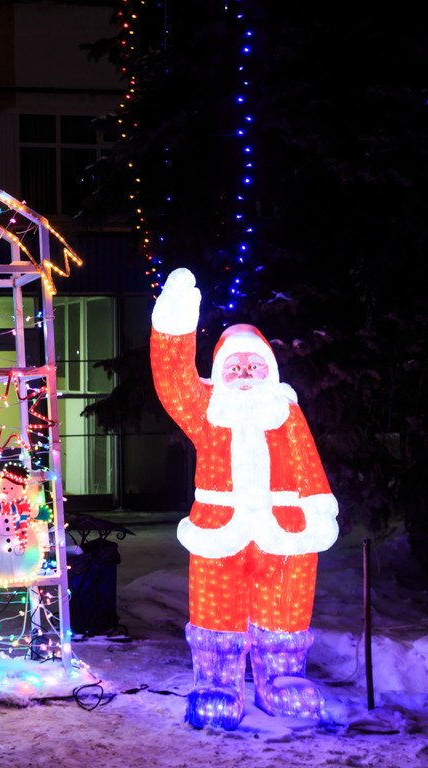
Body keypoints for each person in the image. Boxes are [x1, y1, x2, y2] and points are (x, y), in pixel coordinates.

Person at [151, 268, 339, 729]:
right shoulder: (208, 411)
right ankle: (217, 684)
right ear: (219, 375)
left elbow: (310, 467)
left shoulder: (288, 414)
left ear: (270, 371)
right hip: (220, 528)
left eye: (254, 367)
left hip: (287, 531)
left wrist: (319, 511)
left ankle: (281, 681)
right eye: (234, 368)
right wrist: (175, 320)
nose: (245, 374)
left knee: (286, 610)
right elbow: (173, 379)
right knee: (218, 611)